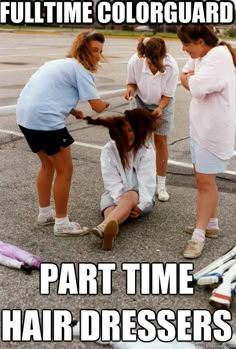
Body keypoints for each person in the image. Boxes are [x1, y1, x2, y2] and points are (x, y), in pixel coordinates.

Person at [16, 31, 110, 237]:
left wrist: (70, 109)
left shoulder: (58, 63)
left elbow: (48, 91)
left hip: (25, 117)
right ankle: (62, 223)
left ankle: (44, 214)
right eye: (94, 50)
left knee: (47, 165)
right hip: (45, 121)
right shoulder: (82, 69)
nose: (97, 55)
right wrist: (105, 104)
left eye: (100, 51)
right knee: (65, 170)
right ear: (82, 48)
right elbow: (97, 107)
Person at [177, 25, 236, 258]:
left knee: (205, 182)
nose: (183, 49)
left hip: (212, 132)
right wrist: (188, 78)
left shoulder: (218, 56)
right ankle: (211, 224)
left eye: (186, 44)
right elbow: (185, 73)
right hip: (200, 129)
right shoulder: (203, 55)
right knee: (202, 178)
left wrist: (189, 79)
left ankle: (198, 236)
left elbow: (197, 87)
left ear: (201, 41)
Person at [84, 108, 159, 250]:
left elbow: (147, 183)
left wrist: (140, 205)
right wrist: (122, 204)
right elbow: (111, 181)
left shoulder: (145, 149)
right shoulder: (108, 149)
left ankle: (104, 226)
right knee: (111, 209)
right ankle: (108, 232)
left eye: (130, 130)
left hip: (142, 196)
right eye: (122, 131)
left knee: (129, 195)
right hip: (114, 194)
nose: (127, 135)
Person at [125, 37, 179, 202]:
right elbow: (132, 83)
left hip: (163, 103)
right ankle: (137, 182)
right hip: (141, 101)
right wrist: (130, 91)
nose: (154, 66)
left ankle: (161, 185)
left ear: (163, 56)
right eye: (150, 62)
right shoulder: (135, 62)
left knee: (161, 141)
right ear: (144, 56)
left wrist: (160, 108)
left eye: (157, 62)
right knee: (139, 140)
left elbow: (167, 95)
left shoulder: (171, 66)